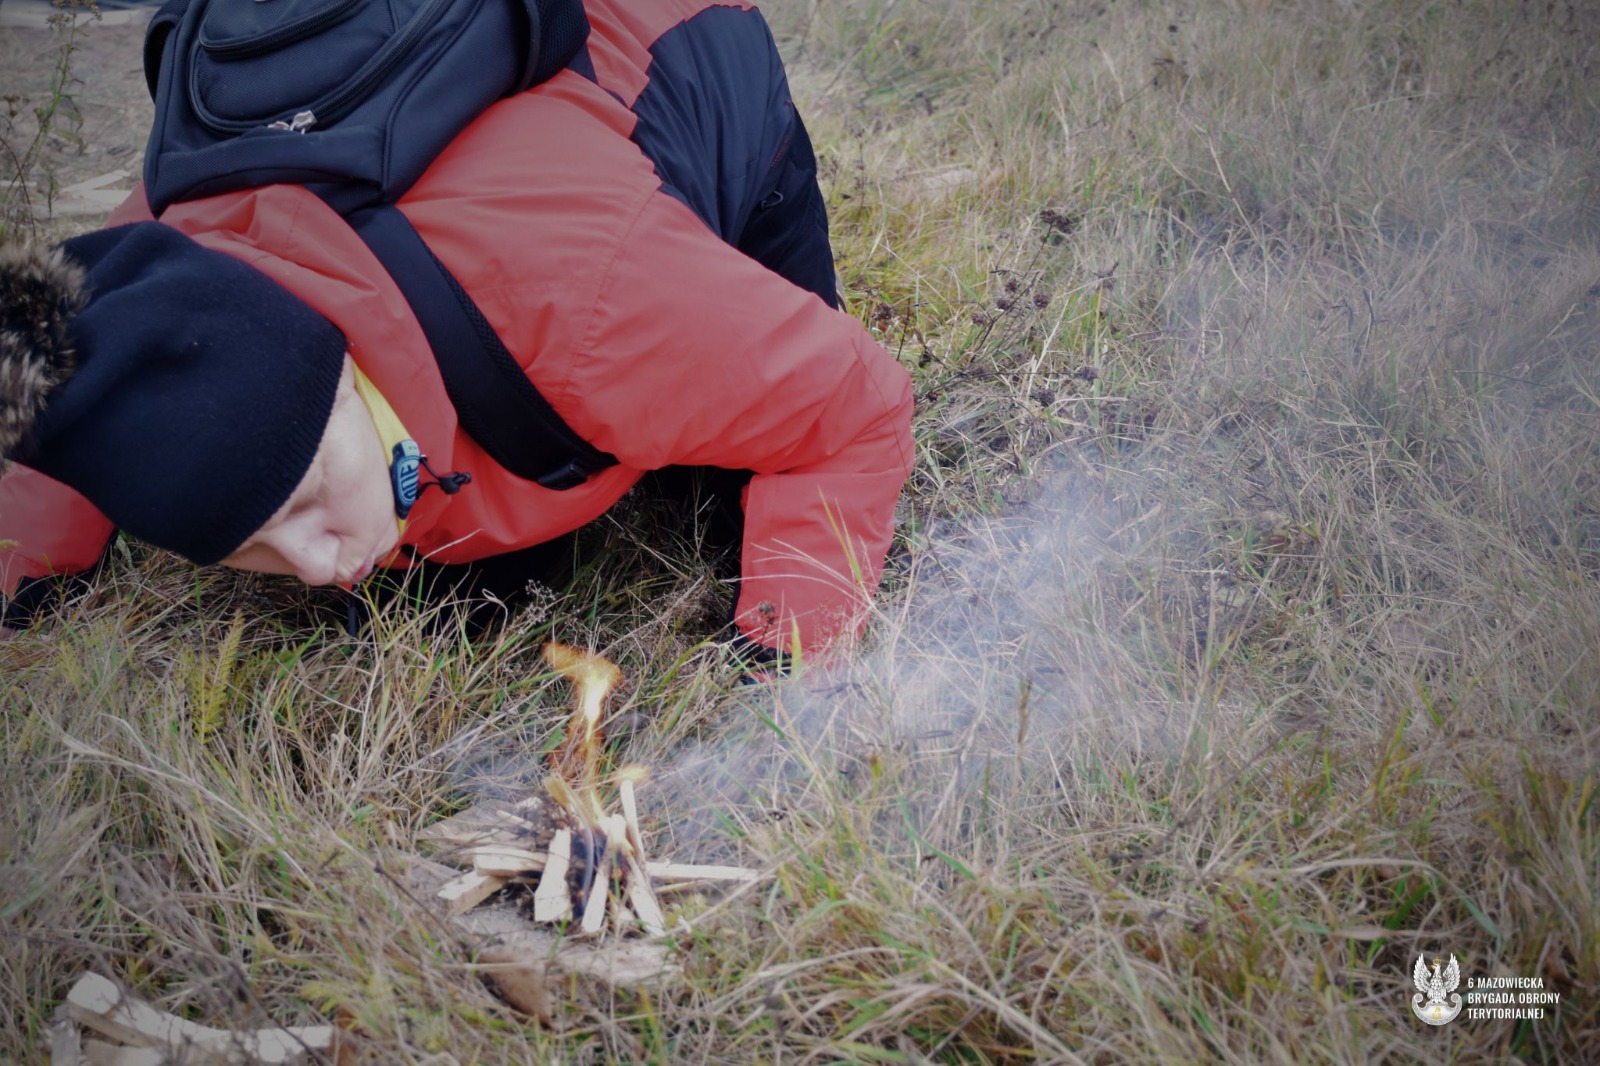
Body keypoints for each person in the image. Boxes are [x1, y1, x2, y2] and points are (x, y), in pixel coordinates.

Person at [0, 0, 914, 664]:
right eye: (251, 541)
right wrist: (26, 577)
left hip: (682, 51)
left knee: (736, 483)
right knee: (451, 603)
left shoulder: (593, 305)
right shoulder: (161, 246)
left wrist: (793, 662)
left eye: (307, 497)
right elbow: (94, 405)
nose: (320, 566)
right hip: (479, 256)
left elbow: (853, 407)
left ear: (339, 375)